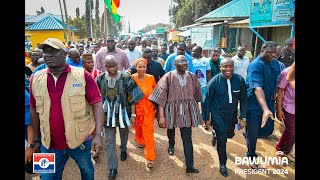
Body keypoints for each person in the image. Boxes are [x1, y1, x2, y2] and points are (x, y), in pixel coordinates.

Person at [27, 38, 105, 179]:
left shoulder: (82, 76)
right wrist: (36, 139)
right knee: (47, 177)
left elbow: (97, 103)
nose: (48, 55)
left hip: (81, 141)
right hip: (47, 143)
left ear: (64, 54)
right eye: (45, 52)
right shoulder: (35, 78)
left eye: (53, 51)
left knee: (87, 173)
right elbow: (33, 109)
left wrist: (98, 134)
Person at [148, 55, 203, 174]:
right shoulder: (168, 77)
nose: (184, 64)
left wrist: (198, 110)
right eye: (181, 62)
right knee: (171, 129)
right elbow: (161, 97)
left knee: (187, 137)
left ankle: (190, 165)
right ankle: (171, 145)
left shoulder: (192, 77)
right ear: (175, 64)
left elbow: (198, 95)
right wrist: (161, 116)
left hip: (187, 110)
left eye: (186, 62)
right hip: (171, 109)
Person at [95, 55, 144, 180]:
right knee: (109, 140)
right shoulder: (99, 79)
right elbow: (95, 97)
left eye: (114, 65)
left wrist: (133, 115)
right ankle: (113, 168)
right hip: (107, 115)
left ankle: (123, 148)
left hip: (123, 112)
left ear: (118, 64)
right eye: (109, 66)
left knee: (124, 133)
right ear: (105, 67)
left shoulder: (126, 77)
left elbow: (133, 97)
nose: (112, 68)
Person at [203, 58, 248, 177]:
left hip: (232, 114)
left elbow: (243, 99)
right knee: (222, 141)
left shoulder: (239, 80)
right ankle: (223, 163)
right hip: (218, 115)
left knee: (229, 134)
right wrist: (206, 118)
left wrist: (242, 117)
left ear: (233, 67)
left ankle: (216, 135)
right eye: (224, 66)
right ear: (220, 67)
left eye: (230, 66)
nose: (227, 69)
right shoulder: (214, 82)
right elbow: (206, 101)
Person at [244, 41, 283, 169]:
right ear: (262, 50)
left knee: (268, 129)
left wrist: (278, 105)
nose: (273, 55)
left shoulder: (276, 64)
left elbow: (280, 84)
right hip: (254, 103)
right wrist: (265, 109)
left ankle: (249, 133)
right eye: (269, 53)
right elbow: (257, 88)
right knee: (253, 133)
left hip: (269, 102)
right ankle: (250, 156)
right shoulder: (256, 65)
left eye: (275, 53)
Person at [131, 58, 157, 169]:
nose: (142, 69)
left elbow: (156, 93)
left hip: (148, 109)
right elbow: (130, 96)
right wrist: (132, 113)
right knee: (138, 128)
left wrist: (157, 110)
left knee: (148, 132)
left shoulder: (151, 78)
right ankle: (140, 141)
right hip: (136, 109)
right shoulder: (131, 78)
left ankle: (150, 157)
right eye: (139, 67)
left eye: (144, 67)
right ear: (135, 67)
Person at [275, 61, 295, 160]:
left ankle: (288, 150)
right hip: (288, 107)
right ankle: (281, 149)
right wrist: (279, 110)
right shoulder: (286, 72)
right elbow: (280, 91)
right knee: (291, 131)